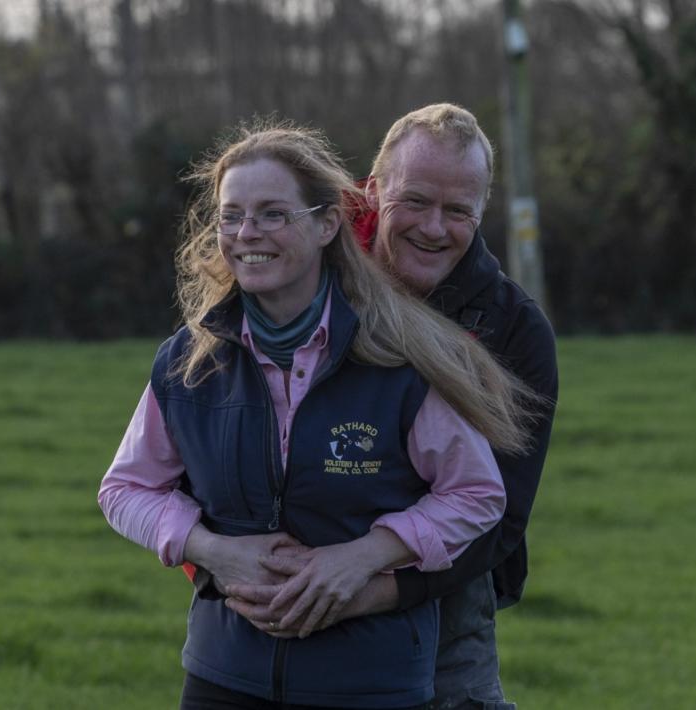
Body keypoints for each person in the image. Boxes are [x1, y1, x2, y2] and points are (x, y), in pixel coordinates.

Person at [98, 122, 536, 709]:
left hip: (372, 681)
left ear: (328, 224)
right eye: (231, 216)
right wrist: (212, 550)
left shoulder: (401, 359)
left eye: (273, 214)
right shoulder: (187, 361)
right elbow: (124, 489)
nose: (247, 233)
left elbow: (478, 494)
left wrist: (365, 559)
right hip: (223, 676)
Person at [224, 104, 558, 710]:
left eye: (458, 211)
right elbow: (215, 425)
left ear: (482, 209)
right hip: (276, 596)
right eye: (416, 201)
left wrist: (362, 585)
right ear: (374, 190)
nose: (434, 228)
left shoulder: (513, 329)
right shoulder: (303, 267)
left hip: (442, 612)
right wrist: (222, 564)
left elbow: (500, 518)